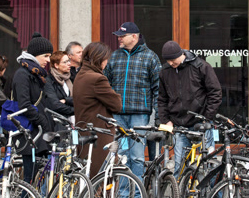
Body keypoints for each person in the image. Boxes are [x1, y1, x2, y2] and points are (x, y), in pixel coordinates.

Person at [103, 22, 162, 182]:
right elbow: (105, 83)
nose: (119, 39)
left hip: (140, 116)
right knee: (122, 156)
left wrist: (158, 116)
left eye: (122, 36)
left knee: (137, 157)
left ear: (134, 37)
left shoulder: (150, 57)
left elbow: (158, 89)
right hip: (118, 116)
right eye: (118, 36)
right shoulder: (115, 56)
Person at [158, 40, 222, 177]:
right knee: (179, 167)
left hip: (202, 124)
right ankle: (179, 197)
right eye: (167, 61)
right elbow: (162, 99)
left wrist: (207, 118)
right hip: (179, 125)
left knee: (209, 165)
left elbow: (215, 93)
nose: (170, 63)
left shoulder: (201, 67)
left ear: (180, 54)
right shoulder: (165, 71)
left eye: (173, 60)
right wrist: (165, 120)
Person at [73, 42, 122, 178]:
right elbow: (117, 105)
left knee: (87, 179)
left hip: (84, 132)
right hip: (99, 135)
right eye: (105, 59)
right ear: (99, 59)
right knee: (102, 179)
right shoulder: (97, 79)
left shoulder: (80, 75)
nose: (106, 63)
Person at [13, 32, 53, 184]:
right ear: (35, 55)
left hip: (37, 133)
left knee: (36, 180)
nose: (48, 61)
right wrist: (42, 120)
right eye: (46, 56)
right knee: (29, 179)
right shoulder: (23, 74)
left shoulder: (37, 74)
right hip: (29, 133)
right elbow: (24, 105)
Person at [45, 51, 75, 126]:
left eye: (69, 61)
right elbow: (55, 105)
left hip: (74, 121)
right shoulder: (49, 81)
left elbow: (80, 99)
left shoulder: (71, 78)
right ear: (56, 65)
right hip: (58, 124)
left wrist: (66, 100)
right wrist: (75, 110)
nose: (69, 64)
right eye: (65, 62)